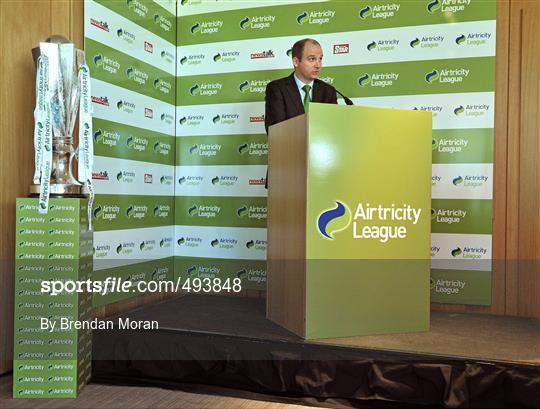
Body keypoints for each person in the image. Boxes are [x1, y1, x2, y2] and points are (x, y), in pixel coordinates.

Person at [264, 38, 338, 188]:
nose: (318, 65)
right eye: (312, 59)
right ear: (296, 61)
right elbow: (276, 129)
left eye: (320, 59)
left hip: (320, 172)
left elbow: (333, 131)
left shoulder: (328, 91)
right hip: (286, 170)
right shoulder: (277, 88)